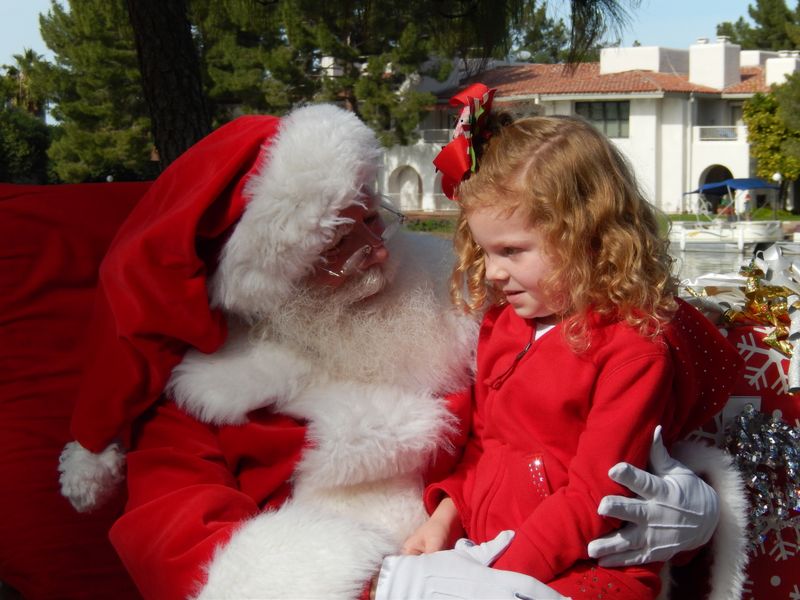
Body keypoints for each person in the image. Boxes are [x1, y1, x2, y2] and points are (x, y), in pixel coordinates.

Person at [53, 102, 742, 599]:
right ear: (271, 278)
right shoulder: (203, 393)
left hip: (534, 554)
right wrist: (386, 588)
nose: (377, 250)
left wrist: (690, 502)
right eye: (336, 244)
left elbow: (642, 322)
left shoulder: (459, 287)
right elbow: (183, 547)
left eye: (370, 216)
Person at [376, 110, 746, 600]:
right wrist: (446, 518)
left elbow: (597, 493)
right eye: (484, 251)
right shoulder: (503, 325)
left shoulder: (632, 350)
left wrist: (496, 574)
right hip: (488, 554)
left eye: (511, 250)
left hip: (587, 570)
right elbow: (485, 444)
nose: (490, 272)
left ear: (589, 239)